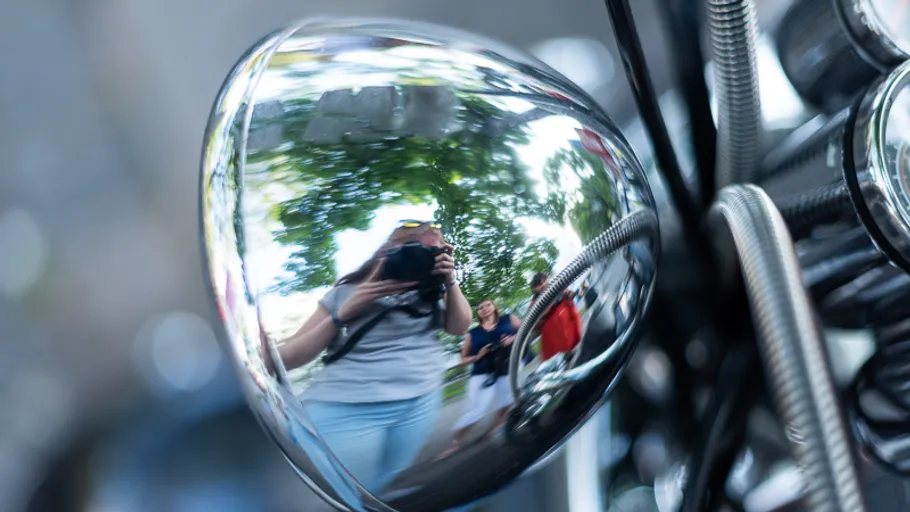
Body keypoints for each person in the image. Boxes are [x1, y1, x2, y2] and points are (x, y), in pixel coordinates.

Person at [260, 220, 472, 494]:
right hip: (346, 406)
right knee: (327, 495)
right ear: (386, 250)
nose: (416, 258)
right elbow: (285, 359)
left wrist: (449, 281)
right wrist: (344, 313)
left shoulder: (434, 293)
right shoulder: (344, 293)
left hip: (421, 402)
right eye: (410, 248)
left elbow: (459, 327)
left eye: (430, 252)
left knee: (378, 486)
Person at [437, 299, 521, 459]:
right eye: (480, 307)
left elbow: (525, 330)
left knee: (509, 400)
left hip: (505, 368)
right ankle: (455, 443)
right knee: (476, 410)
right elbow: (463, 359)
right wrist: (479, 355)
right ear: (477, 313)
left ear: (494, 306)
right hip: (482, 373)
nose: (484, 309)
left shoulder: (508, 319)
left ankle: (495, 428)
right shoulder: (473, 333)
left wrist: (512, 339)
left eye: (488, 305)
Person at [530, 272, 582, 361]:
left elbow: (571, 296)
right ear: (535, 288)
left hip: (570, 326)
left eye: (544, 281)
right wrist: (552, 297)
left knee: (578, 352)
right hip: (554, 338)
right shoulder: (535, 302)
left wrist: (567, 293)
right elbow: (541, 314)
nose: (543, 285)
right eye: (539, 284)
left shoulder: (557, 287)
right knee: (563, 360)